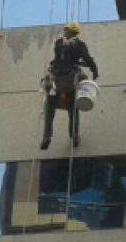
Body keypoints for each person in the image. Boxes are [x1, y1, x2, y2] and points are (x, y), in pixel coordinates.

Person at [40, 21, 98, 150]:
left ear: (70, 31)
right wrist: (94, 69)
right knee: (73, 109)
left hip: (56, 80)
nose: (64, 31)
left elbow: (60, 59)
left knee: (49, 108)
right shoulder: (79, 45)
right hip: (69, 80)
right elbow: (87, 58)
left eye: (66, 29)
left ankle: (47, 136)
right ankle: (74, 136)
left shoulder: (59, 43)